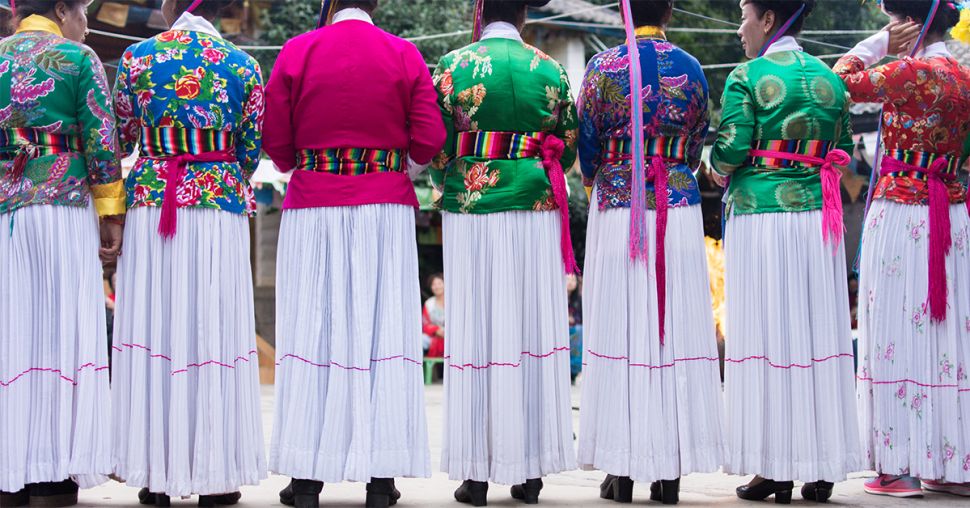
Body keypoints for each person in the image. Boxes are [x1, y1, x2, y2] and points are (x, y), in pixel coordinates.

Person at [263, 0, 445, 506]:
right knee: (381, 329)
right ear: (375, 5)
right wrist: (393, 162)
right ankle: (381, 478)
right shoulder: (404, 54)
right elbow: (430, 138)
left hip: (313, 204)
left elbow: (276, 144)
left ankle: (306, 478)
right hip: (383, 207)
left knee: (312, 329)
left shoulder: (297, 52)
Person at [109, 0, 267, 505]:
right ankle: (215, 476)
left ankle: (155, 473)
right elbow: (249, 150)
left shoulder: (137, 58)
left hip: (154, 201)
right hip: (218, 203)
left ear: (170, 5)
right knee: (213, 330)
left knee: (156, 326)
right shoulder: (244, 65)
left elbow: (123, 135)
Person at [711, 0, 862, 503]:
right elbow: (839, 145)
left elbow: (731, 149)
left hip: (763, 217)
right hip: (820, 218)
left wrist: (716, 167)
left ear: (769, 19)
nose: (739, 28)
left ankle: (774, 466)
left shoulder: (747, 76)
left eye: (744, 14)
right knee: (816, 333)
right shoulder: (830, 79)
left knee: (769, 334)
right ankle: (821, 468)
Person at [431, 0, 578, 504]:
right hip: (535, 204)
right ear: (523, 16)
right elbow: (569, 144)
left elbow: (436, 145)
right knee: (530, 327)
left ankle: (475, 472)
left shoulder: (453, 66)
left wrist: (448, 174)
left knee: (476, 328)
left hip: (473, 203)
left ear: (482, 11)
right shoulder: (551, 68)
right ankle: (530, 470)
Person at [576, 1, 723, 504]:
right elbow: (699, 136)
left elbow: (587, 148)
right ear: (670, 11)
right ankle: (670, 471)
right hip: (678, 202)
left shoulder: (603, 66)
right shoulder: (693, 68)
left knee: (620, 326)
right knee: (671, 330)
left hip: (620, 202)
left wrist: (604, 176)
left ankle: (621, 468)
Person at [834, 0, 970, 498]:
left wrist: (875, 46)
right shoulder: (964, 75)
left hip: (904, 209)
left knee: (893, 325)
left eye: (892, 20)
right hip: (952, 214)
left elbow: (840, 83)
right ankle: (953, 463)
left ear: (907, 22)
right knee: (948, 339)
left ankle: (898, 466)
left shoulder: (906, 70)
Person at [0, 1, 121, 506]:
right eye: (82, 11)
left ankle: (10, 466)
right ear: (59, 10)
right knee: (63, 333)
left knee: (14, 333)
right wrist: (111, 214)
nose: (86, 23)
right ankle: (54, 471)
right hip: (64, 206)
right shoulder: (78, 58)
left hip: (7, 210)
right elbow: (101, 139)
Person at [423, 273, 446, 358]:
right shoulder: (429, 304)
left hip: (452, 336)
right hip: (434, 336)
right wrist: (436, 330)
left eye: (439, 283)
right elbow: (425, 325)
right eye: (434, 284)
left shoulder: (453, 301)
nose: (437, 287)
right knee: (420, 340)